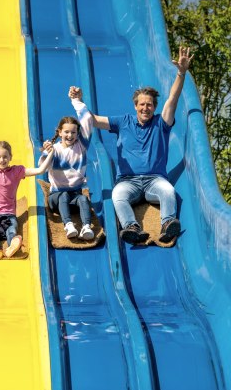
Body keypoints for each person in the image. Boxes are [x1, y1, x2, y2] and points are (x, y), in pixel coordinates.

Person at [88, 46, 193, 244]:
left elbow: (172, 99)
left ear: (154, 107)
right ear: (135, 106)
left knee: (168, 191)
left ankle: (168, 223)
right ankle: (131, 226)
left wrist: (181, 73)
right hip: (129, 181)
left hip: (155, 180)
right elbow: (93, 120)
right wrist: (78, 102)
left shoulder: (161, 124)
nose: (146, 108)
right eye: (142, 104)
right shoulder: (123, 122)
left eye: (150, 104)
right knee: (117, 194)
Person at [39, 86, 95, 241]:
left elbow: (88, 119)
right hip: (56, 197)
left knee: (84, 199)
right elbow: (42, 166)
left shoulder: (81, 146)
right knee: (63, 195)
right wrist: (47, 152)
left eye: (73, 132)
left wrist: (76, 100)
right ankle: (68, 225)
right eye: (66, 132)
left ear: (78, 134)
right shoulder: (54, 149)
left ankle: (86, 227)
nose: (70, 135)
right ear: (59, 132)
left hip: (75, 195)